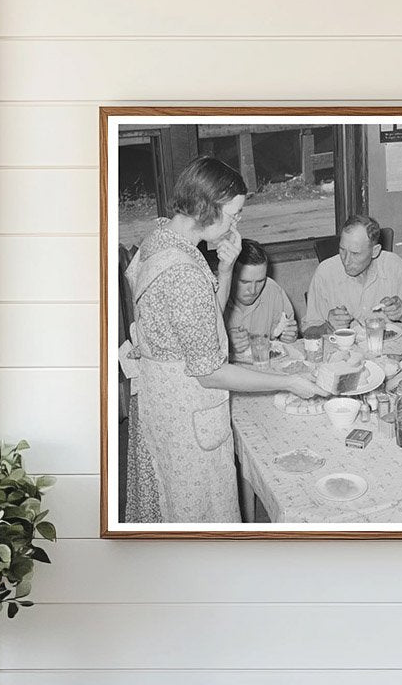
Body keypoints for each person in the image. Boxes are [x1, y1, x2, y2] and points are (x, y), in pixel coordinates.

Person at [120, 156, 326, 524]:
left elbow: (202, 324)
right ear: (206, 208)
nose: (237, 223)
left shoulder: (162, 242)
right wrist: (290, 382)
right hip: (185, 414)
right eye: (234, 214)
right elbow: (210, 371)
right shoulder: (184, 273)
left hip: (161, 401)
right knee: (196, 515)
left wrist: (227, 268)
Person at [302, 214, 402, 336]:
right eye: (342, 250)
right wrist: (328, 327)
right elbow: (308, 332)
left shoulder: (394, 266)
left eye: (355, 254)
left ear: (375, 251)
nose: (346, 261)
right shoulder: (325, 272)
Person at [225, 239, 298, 358]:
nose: (253, 290)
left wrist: (288, 337)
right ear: (230, 275)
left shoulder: (272, 290)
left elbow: (282, 343)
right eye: (244, 282)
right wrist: (224, 343)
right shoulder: (212, 295)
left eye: (260, 281)